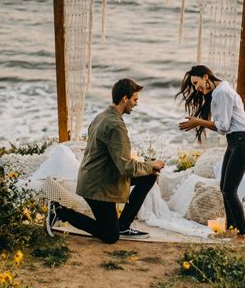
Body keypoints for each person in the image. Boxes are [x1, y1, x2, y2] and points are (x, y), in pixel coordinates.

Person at [45, 78, 165, 242]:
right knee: (110, 236)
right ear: (125, 98)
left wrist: (148, 169)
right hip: (98, 186)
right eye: (135, 99)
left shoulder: (102, 116)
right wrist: (152, 164)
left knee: (149, 176)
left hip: (99, 177)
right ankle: (59, 212)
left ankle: (123, 225)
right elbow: (126, 168)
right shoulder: (115, 125)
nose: (136, 104)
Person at [176, 65, 245, 241]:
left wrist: (198, 121)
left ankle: (243, 232)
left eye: (197, 83)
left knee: (229, 190)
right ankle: (232, 228)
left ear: (206, 77)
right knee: (224, 188)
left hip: (243, 142)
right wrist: (199, 121)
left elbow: (223, 127)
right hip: (236, 142)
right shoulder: (219, 91)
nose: (197, 88)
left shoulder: (222, 92)